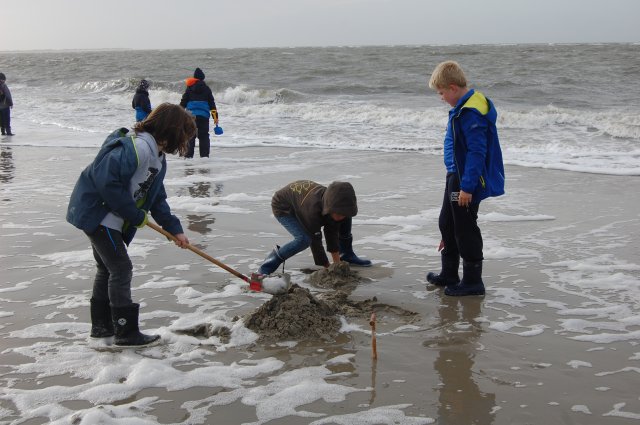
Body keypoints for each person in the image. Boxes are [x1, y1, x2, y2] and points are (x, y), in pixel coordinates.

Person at [66, 103, 196, 346]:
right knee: (121, 268)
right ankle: (125, 333)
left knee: (107, 269)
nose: (184, 142)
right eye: (184, 136)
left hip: (110, 218)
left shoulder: (157, 157)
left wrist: (174, 230)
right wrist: (134, 215)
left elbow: (156, 197)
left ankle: (102, 328)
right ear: (171, 131)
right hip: (98, 214)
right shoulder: (136, 148)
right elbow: (106, 181)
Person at [425, 61, 505, 296]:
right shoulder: (461, 107)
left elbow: (476, 152)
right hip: (455, 175)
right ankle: (449, 273)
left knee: (465, 228)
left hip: (466, 181)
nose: (441, 98)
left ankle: (473, 281)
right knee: (447, 223)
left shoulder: (471, 112)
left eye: (441, 93)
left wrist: (467, 188)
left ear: (452, 87)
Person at [257, 180, 371, 276]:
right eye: (338, 213)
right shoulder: (312, 211)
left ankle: (346, 254)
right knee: (303, 239)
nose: (341, 216)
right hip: (284, 207)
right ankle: (266, 267)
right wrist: (328, 267)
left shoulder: (334, 201)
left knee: (345, 218)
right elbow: (315, 241)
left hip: (303, 201)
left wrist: (337, 263)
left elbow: (332, 231)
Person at [180, 67, 218, 158]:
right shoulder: (207, 89)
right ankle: (204, 158)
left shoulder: (189, 88)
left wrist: (179, 115)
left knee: (190, 136)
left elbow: (183, 103)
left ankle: (188, 157)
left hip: (190, 117)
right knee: (204, 136)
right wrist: (215, 118)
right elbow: (212, 105)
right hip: (203, 117)